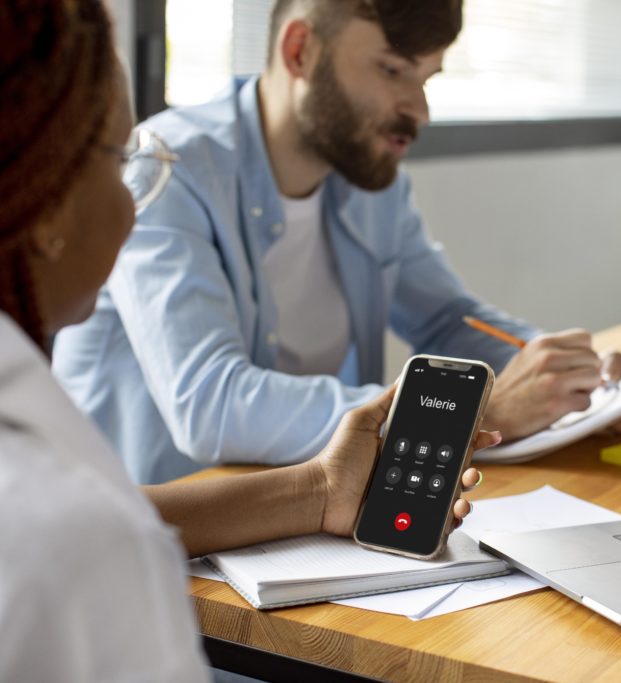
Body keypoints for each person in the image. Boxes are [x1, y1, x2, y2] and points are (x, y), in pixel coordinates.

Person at [0, 2, 487, 678]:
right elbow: (190, 426)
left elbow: (114, 512)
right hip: (202, 599)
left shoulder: (56, 497)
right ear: (41, 197)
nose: (140, 187)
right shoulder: (68, 544)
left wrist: (319, 489)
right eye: (123, 161)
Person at [52, 0, 621, 485]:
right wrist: (466, 413)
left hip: (297, 514)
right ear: (300, 50)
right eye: (392, 70)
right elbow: (209, 404)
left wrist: (557, 373)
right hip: (157, 544)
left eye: (426, 78)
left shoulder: (367, 176)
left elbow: (447, 320)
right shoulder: (169, 170)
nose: (420, 110)